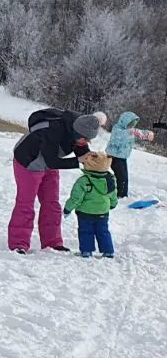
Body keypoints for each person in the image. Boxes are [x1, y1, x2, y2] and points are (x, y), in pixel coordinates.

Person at [8, 108, 104, 253]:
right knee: (26, 203)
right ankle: (18, 244)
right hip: (29, 161)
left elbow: (80, 148)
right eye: (85, 139)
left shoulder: (79, 129)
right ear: (77, 133)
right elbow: (52, 161)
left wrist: (90, 158)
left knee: (52, 203)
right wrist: (78, 160)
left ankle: (53, 242)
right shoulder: (53, 131)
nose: (86, 142)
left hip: (50, 163)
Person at [64, 150, 119, 258]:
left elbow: (76, 198)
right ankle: (108, 251)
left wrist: (68, 209)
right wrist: (113, 204)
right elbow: (113, 194)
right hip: (103, 212)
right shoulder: (110, 180)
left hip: (85, 213)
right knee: (103, 231)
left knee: (85, 231)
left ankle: (86, 251)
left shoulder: (84, 181)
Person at [104, 111, 152, 198]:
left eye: (133, 124)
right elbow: (121, 136)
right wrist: (132, 131)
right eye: (130, 124)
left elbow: (138, 132)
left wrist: (147, 134)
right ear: (125, 121)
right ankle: (119, 195)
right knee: (121, 177)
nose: (132, 126)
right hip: (113, 157)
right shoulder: (117, 128)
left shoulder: (130, 131)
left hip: (122, 157)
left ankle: (123, 195)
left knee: (125, 177)